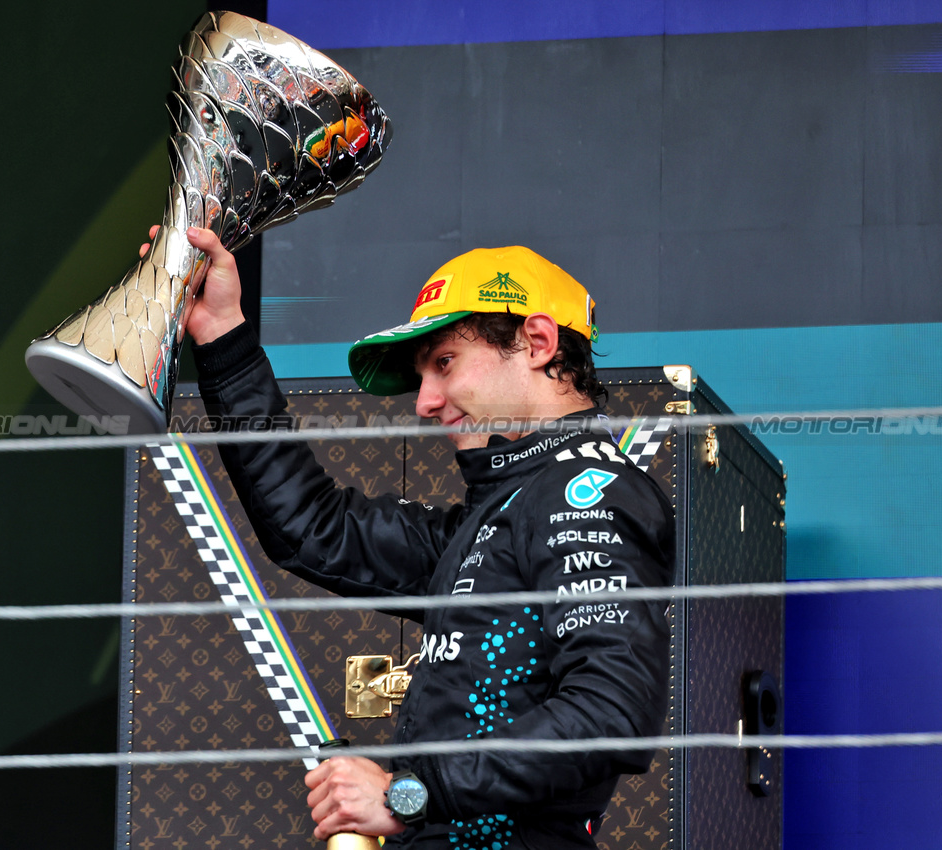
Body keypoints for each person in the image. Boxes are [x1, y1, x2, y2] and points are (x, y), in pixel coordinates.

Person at [166, 225, 675, 849]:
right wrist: (222, 335)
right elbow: (312, 527)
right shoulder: (493, 520)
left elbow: (612, 712)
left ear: (538, 342)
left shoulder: (587, 491)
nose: (425, 402)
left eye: (444, 363)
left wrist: (409, 795)